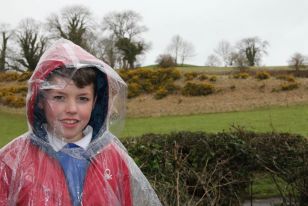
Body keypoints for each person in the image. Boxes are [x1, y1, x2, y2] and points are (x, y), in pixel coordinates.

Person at [0, 39, 162, 206]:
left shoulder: (114, 158)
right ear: (40, 99)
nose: (71, 109)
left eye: (83, 98)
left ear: (95, 102)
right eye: (59, 97)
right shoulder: (11, 160)